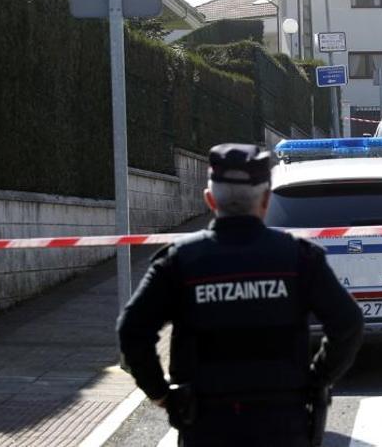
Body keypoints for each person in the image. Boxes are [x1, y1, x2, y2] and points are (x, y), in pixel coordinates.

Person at [117, 143, 364, 447]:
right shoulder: (299, 259)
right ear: (266, 200)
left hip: (207, 425)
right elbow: (348, 323)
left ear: (210, 199)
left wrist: (161, 394)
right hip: (282, 423)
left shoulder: (180, 262)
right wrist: (318, 378)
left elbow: (132, 330)